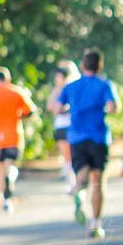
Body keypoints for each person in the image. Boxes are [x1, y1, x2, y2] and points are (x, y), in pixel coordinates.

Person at [57, 49, 121, 238]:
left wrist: (71, 109)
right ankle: (96, 223)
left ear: (82, 66)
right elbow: (113, 106)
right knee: (99, 182)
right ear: (100, 66)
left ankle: (78, 190)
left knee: (82, 175)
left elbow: (58, 108)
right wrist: (107, 108)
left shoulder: (70, 87)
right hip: (99, 137)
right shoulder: (105, 85)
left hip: (76, 137)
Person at [0, 67, 38, 213]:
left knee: (0, 166)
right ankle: (11, 177)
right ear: (8, 79)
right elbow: (31, 111)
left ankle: (5, 200)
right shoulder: (17, 92)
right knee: (11, 164)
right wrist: (21, 114)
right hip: (13, 135)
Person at [46, 60, 81, 193]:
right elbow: (51, 106)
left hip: (71, 126)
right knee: (68, 158)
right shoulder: (57, 89)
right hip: (61, 126)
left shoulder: (72, 88)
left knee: (72, 157)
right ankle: (73, 184)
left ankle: (76, 184)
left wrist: (64, 109)